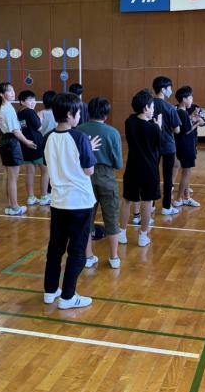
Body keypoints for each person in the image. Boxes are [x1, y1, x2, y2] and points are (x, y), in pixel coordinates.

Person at [43, 92, 100, 309]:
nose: (79, 117)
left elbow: (54, 161)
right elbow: (89, 170)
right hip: (79, 202)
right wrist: (88, 150)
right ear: (69, 114)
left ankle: (50, 291)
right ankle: (68, 297)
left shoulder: (48, 137)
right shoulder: (79, 138)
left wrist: (84, 150)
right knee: (77, 250)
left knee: (56, 248)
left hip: (58, 202)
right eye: (77, 113)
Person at [77, 97, 123, 269]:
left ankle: (88, 256)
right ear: (106, 113)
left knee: (87, 218)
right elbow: (118, 163)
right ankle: (114, 257)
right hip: (106, 176)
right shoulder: (112, 132)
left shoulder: (79, 130)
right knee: (111, 217)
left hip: (84, 176)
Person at [119, 89, 162, 248]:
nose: (153, 110)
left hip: (132, 166)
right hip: (149, 168)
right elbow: (159, 146)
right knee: (147, 200)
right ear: (146, 108)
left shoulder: (129, 122)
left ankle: (122, 233)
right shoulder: (153, 128)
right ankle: (143, 235)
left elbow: (136, 120)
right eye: (152, 107)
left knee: (127, 199)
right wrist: (158, 127)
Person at [0, 82, 37, 215]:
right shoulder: (7, 109)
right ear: (2, 95)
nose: (13, 93)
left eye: (13, 90)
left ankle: (10, 205)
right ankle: (14, 207)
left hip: (6, 141)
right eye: (9, 91)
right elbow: (15, 130)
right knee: (13, 178)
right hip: (11, 142)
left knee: (9, 177)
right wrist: (26, 142)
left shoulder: (6, 107)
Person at [151, 76, 181, 215]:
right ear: (163, 89)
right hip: (168, 146)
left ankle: (151, 204)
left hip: (152, 145)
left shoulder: (148, 105)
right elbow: (177, 130)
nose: (171, 91)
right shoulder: (169, 107)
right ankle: (166, 207)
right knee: (168, 176)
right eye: (170, 88)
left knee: (153, 174)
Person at [17, 90, 51, 206]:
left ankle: (31, 197)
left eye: (34, 100)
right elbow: (39, 127)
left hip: (25, 145)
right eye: (29, 100)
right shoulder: (30, 112)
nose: (33, 102)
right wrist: (39, 118)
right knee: (46, 170)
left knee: (30, 172)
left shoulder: (19, 113)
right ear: (22, 102)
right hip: (36, 144)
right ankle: (44, 196)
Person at [173, 86, 203, 208]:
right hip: (186, 146)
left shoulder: (181, 112)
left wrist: (192, 118)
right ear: (184, 99)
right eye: (190, 97)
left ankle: (186, 197)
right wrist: (197, 123)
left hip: (183, 146)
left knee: (186, 172)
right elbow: (186, 131)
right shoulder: (182, 112)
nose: (192, 99)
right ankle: (179, 199)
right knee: (186, 173)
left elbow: (184, 125)